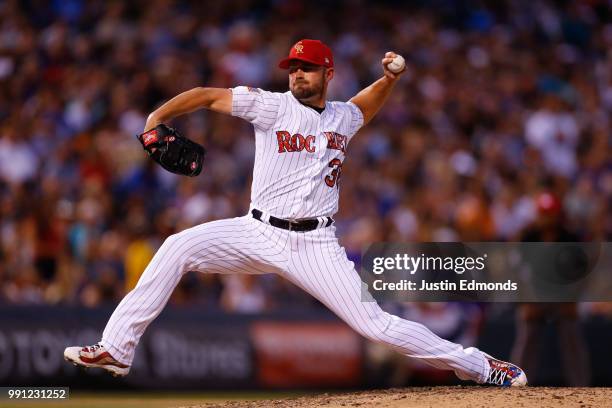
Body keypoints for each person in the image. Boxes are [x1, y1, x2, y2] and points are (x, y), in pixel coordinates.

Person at [64, 39, 526, 386]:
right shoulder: (271, 106)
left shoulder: (343, 116)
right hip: (257, 229)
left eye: (307, 68)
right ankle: (117, 349)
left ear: (328, 73)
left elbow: (366, 107)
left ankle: (480, 366)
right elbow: (206, 94)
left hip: (315, 244)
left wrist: (389, 80)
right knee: (177, 246)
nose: (297, 74)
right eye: (293, 68)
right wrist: (154, 120)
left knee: (377, 326)